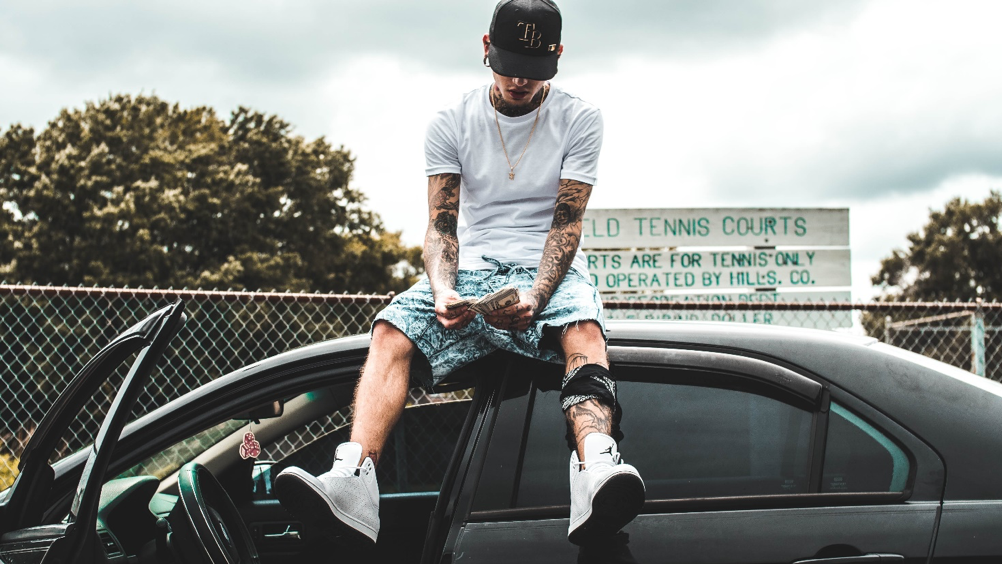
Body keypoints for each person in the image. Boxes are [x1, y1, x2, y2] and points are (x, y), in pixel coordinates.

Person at [275, 0, 644, 547]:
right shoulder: (451, 120)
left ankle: (597, 471)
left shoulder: (580, 118)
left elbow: (567, 222)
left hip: (550, 269)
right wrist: (443, 289)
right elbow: (442, 224)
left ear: (558, 57)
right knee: (390, 330)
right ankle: (351, 480)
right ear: (486, 48)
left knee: (585, 332)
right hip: (472, 266)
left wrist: (539, 296)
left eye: (533, 69)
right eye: (509, 65)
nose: (519, 80)